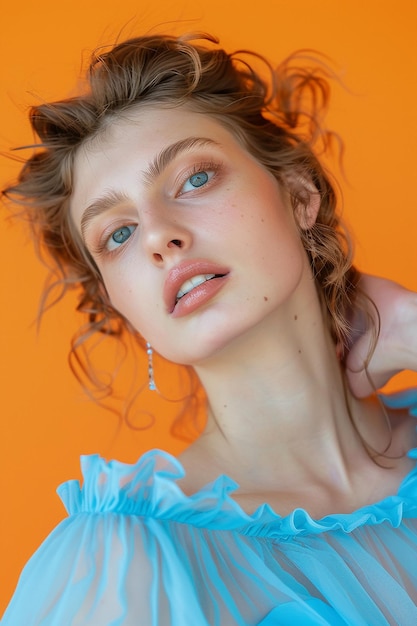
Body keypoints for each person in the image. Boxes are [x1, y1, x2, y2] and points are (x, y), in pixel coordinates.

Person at [1, 33, 417, 625]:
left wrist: (407, 325)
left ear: (299, 195)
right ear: (119, 303)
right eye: (117, 234)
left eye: (194, 179)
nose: (157, 237)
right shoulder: (130, 566)